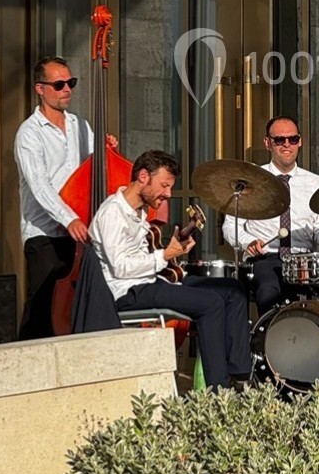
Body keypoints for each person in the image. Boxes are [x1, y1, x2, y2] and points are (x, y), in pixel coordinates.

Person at [90, 150, 251, 391]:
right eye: (164, 185)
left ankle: (240, 377)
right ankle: (219, 391)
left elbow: (145, 256)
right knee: (210, 304)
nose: (167, 194)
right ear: (143, 176)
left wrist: (173, 250)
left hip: (152, 281)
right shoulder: (112, 213)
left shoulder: (140, 212)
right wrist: (165, 255)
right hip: (129, 291)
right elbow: (121, 267)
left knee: (233, 290)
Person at [14, 56, 102, 339]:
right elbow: (40, 186)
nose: (67, 89)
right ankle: (26, 360)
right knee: (41, 309)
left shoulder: (81, 126)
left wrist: (106, 151)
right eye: (59, 84)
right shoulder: (29, 133)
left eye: (71, 83)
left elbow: (94, 171)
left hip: (80, 232)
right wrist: (69, 218)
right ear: (40, 89)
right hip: (45, 234)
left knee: (76, 310)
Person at [222, 116, 319, 315]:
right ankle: (271, 333)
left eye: (293, 139)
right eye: (279, 140)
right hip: (265, 257)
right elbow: (230, 226)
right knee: (269, 290)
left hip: (303, 259)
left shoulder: (315, 183)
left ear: (300, 142)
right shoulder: (251, 181)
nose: (287, 145)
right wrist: (248, 242)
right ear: (267, 143)